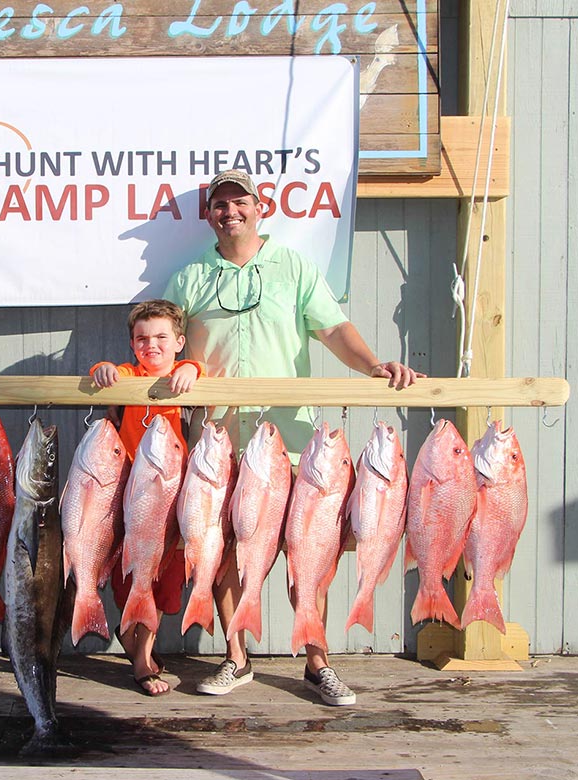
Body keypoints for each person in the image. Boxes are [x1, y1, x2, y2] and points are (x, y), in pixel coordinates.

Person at [162, 169, 424, 706]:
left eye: (240, 201)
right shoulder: (187, 278)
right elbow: (165, 344)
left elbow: (332, 329)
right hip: (219, 445)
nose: (229, 211)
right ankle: (236, 658)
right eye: (219, 204)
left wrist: (372, 365)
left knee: (310, 550)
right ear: (208, 214)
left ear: (261, 207)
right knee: (226, 551)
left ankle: (318, 662)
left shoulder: (295, 268)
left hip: (295, 443)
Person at [90, 299, 204, 696]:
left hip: (171, 501)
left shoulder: (186, 375)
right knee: (131, 576)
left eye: (160, 337)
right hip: (130, 498)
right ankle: (140, 659)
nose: (150, 345)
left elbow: (199, 369)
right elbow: (103, 373)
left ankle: (140, 647)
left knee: (162, 577)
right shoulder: (128, 374)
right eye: (141, 338)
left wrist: (189, 367)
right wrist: (103, 370)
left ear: (179, 342)